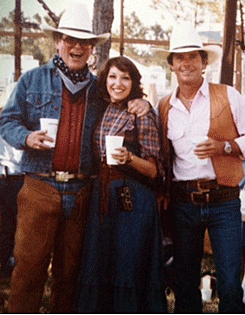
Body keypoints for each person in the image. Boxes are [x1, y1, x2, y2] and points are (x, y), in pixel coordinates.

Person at [0, 4, 150, 312]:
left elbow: (124, 102)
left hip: (83, 192)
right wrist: (27, 138)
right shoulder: (33, 80)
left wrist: (140, 103)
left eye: (84, 42)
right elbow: (7, 121)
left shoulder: (100, 87)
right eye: (70, 39)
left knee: (72, 276)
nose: (77, 47)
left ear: (93, 48)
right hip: (40, 187)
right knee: (28, 272)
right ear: (57, 41)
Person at [156, 23, 245, 313]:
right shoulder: (164, 106)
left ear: (204, 63)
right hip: (182, 202)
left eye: (193, 56)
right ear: (172, 65)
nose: (186, 63)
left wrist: (224, 147)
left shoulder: (228, 95)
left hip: (223, 201)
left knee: (230, 282)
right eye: (179, 57)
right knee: (185, 280)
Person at [76, 57, 167, 312]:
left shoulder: (142, 114)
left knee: (128, 266)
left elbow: (153, 170)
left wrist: (130, 158)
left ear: (134, 83)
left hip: (132, 201)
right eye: (113, 77)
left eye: (125, 78)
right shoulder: (99, 108)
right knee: (100, 263)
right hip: (101, 197)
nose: (118, 83)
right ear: (104, 80)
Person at [0, 130, 23, 279]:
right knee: (5, 225)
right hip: (3, 178)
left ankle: (13, 266)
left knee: (18, 226)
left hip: (21, 178)